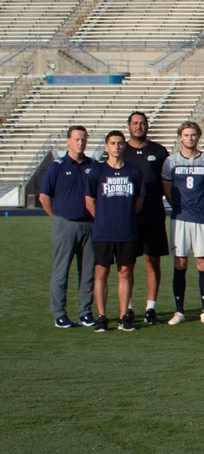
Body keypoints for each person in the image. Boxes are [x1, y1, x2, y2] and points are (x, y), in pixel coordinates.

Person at [161, 121, 204, 326]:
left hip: (202, 218)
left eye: (193, 135)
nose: (190, 138)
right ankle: (179, 311)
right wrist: (178, 206)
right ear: (180, 137)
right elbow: (167, 189)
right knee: (180, 263)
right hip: (180, 217)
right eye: (186, 135)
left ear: (199, 136)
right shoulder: (171, 162)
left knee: (203, 263)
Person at [39, 125, 98, 329]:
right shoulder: (58, 166)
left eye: (83, 139)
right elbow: (44, 196)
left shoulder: (94, 165)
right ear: (68, 141)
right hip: (65, 224)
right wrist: (56, 217)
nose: (80, 143)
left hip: (89, 226)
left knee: (88, 271)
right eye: (76, 139)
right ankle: (60, 314)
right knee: (61, 270)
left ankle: (85, 312)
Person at [85, 130, 144, 333]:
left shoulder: (134, 172)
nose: (117, 147)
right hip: (103, 232)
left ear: (124, 146)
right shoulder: (96, 171)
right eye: (112, 143)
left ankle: (123, 316)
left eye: (120, 143)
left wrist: (124, 216)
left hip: (127, 231)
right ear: (106, 146)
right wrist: (103, 218)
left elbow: (138, 201)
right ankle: (101, 316)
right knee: (102, 271)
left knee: (125, 272)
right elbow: (89, 201)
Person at [122, 111, 171, 325]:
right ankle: (128, 308)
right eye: (135, 123)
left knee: (153, 261)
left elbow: (168, 182)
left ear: (147, 126)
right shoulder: (121, 151)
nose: (139, 126)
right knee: (127, 264)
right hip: (128, 217)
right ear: (129, 127)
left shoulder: (159, 152)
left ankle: (151, 308)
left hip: (153, 213)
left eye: (142, 123)